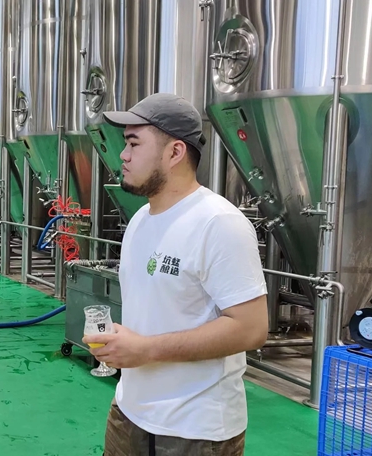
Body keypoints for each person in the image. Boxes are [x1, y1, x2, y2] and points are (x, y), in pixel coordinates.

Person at [82, 93, 269, 456]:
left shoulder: (219, 223)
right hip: (129, 413)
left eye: (134, 143)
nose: (123, 155)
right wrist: (122, 345)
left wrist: (146, 349)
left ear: (175, 152)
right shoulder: (140, 220)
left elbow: (251, 328)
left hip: (196, 429)